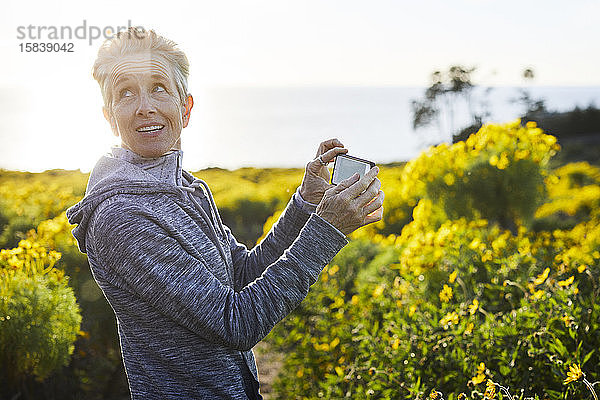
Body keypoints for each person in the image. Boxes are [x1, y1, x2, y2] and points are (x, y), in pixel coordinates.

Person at [66, 27, 384, 400]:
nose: (144, 106)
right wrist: (327, 230)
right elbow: (236, 323)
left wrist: (305, 204)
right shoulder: (121, 217)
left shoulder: (188, 188)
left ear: (185, 109)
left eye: (158, 87)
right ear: (109, 117)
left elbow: (243, 273)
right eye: (125, 93)